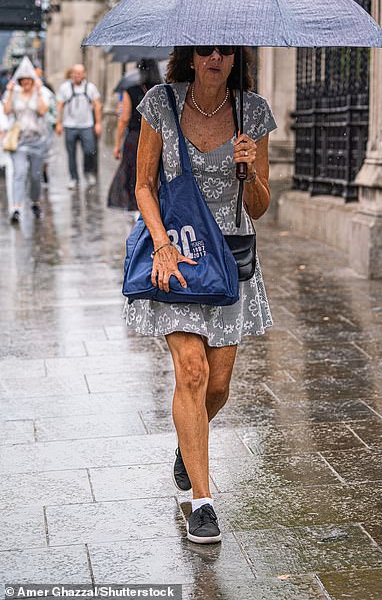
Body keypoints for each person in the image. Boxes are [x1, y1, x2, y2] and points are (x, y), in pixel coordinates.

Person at [124, 46, 277, 544]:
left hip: (231, 258)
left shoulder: (252, 111)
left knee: (218, 384)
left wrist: (249, 170)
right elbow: (143, 185)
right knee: (191, 372)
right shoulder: (159, 102)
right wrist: (162, 245)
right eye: (205, 49)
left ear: (236, 58)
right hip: (179, 254)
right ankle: (202, 502)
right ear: (190, 55)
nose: (214, 57)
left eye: (224, 50)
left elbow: (260, 206)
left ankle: (186, 444)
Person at [108, 59, 161, 214]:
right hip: (158, 138)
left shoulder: (130, 90)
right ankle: (154, 205)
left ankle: (136, 206)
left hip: (135, 137)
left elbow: (124, 118)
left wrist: (117, 144)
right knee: (155, 173)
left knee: (134, 173)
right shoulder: (163, 90)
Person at [2, 56, 50, 223]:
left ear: (32, 79)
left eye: (29, 79)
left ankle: (35, 202)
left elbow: (43, 111)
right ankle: (16, 208)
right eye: (23, 79)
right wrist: (9, 92)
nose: (26, 82)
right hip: (20, 141)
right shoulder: (13, 94)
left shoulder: (40, 92)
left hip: (37, 141)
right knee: (19, 174)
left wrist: (38, 91)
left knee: (35, 176)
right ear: (20, 80)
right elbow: (7, 111)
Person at [55, 64, 102, 189]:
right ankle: (74, 178)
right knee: (71, 153)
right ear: (72, 74)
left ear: (84, 74)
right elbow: (59, 105)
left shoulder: (90, 88)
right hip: (69, 125)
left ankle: (88, 171)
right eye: (75, 72)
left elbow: (97, 105)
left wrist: (98, 123)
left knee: (89, 150)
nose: (77, 75)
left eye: (80, 72)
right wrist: (58, 123)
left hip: (86, 125)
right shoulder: (65, 88)